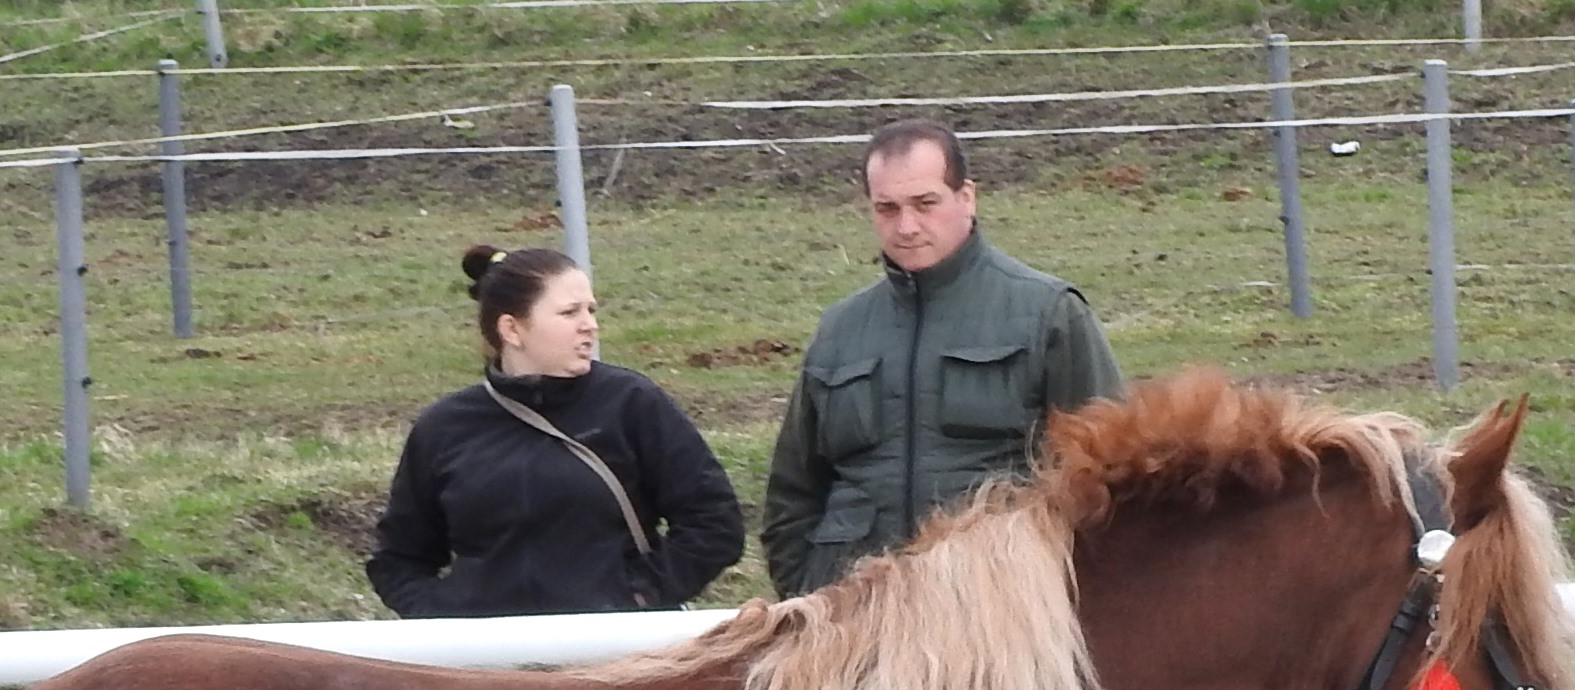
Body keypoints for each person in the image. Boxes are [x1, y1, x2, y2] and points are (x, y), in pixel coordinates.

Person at [759, 119, 1123, 597]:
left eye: (924, 204)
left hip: (998, 617)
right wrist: (809, 591)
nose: (906, 227)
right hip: (854, 622)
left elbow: (1110, 477)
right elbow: (793, 498)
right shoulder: (839, 331)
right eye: (886, 209)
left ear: (966, 197)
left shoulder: (1049, 314)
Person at [367, 244, 744, 618]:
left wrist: (637, 597)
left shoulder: (632, 403)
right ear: (512, 329)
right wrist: (449, 618)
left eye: (591, 310)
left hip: (615, 661)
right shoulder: (444, 426)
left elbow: (714, 524)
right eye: (569, 313)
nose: (590, 326)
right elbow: (398, 560)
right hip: (487, 669)